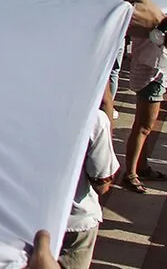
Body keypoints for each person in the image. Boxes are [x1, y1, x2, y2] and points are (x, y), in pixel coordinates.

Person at [121, 6, 167, 193]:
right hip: (152, 72)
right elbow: (159, 40)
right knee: (144, 127)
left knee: (145, 127)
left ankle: (141, 167)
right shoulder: (157, 15)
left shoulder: (157, 12)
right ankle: (130, 174)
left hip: (153, 70)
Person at [59, 110, 118, 269]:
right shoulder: (94, 119)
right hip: (76, 221)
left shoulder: (15, 110)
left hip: (24, 218)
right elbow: (102, 184)